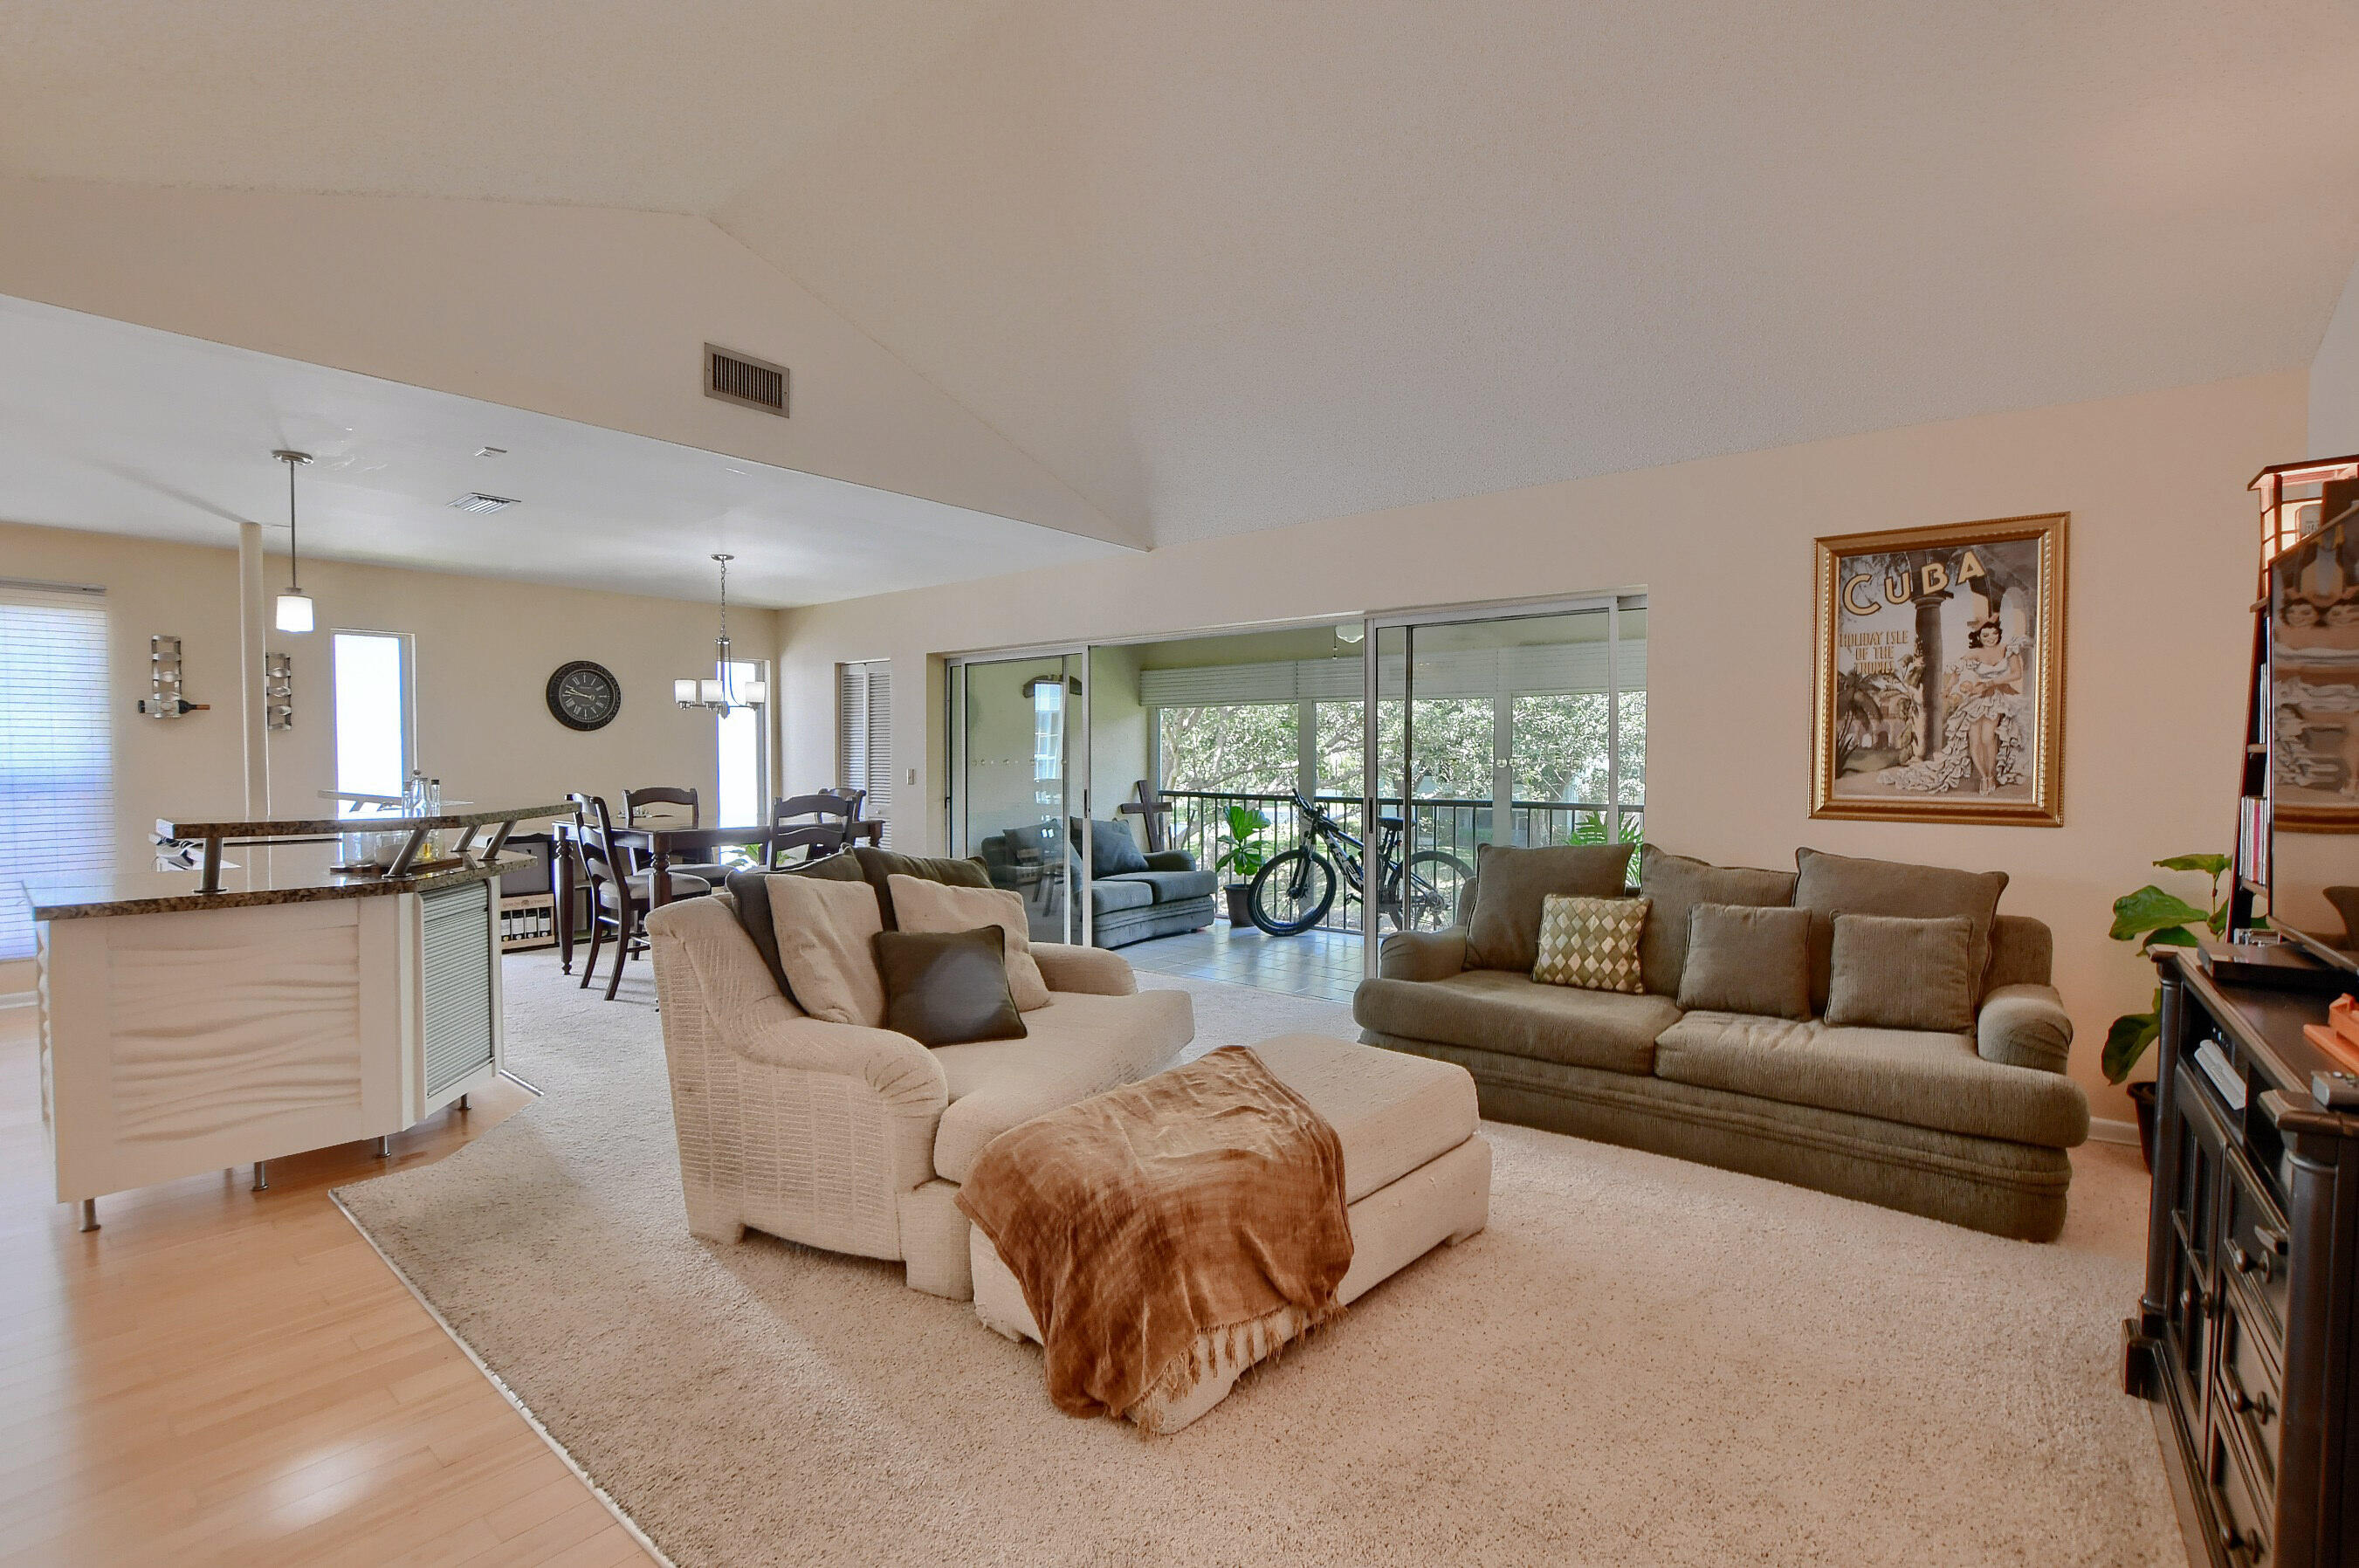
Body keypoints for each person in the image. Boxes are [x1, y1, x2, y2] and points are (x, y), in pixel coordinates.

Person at [1878, 619, 2028, 796]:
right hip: (1977, 698)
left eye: (1994, 633)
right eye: (1985, 635)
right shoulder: (1974, 653)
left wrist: (1990, 683)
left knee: (1988, 738)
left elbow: (2016, 673)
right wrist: (1949, 687)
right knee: (1974, 739)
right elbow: (1956, 671)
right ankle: (1984, 777)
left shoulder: (2008, 649)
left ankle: (1991, 775)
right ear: (1979, 636)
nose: (1990, 638)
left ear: (1999, 633)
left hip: (1997, 697)